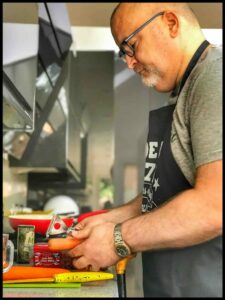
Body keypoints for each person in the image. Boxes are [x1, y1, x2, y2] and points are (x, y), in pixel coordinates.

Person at [65, 3, 222, 297]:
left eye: (132, 45)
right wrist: (116, 217)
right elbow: (168, 192)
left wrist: (117, 239)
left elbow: (215, 206)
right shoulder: (188, 87)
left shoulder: (215, 79)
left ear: (171, 23)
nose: (129, 62)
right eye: (123, 52)